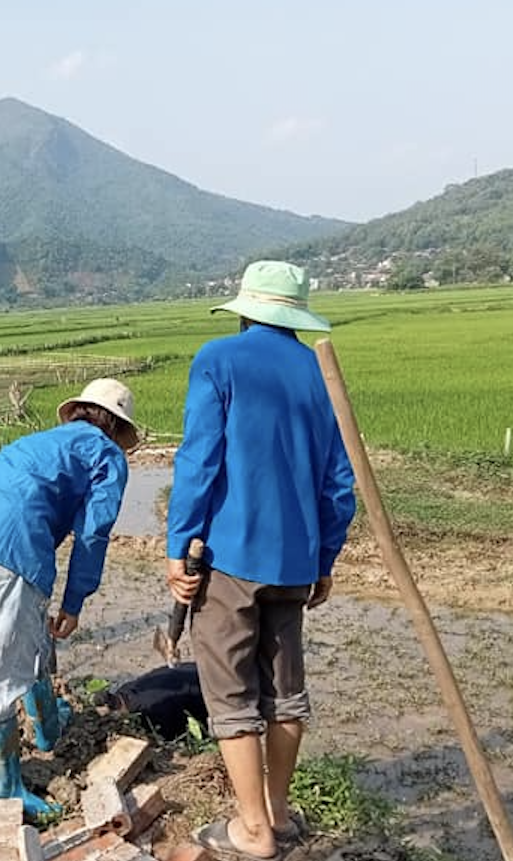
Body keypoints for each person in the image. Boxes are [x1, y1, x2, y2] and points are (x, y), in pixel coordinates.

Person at [165, 261, 357, 860]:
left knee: (230, 693)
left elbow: (199, 461)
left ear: (246, 310)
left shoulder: (219, 360)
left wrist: (179, 544)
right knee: (286, 690)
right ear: (295, 315)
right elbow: (339, 483)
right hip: (294, 562)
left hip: (231, 557)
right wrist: (323, 558)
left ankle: (252, 829)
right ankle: (278, 809)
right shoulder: (317, 370)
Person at [0, 378, 137, 819]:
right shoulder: (107, 456)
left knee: (22, 637)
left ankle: (48, 723)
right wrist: (74, 601)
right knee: (2, 668)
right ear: (117, 428)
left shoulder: (47, 440)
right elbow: (93, 533)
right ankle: (2, 788)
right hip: (11, 545)